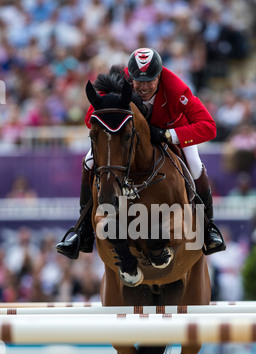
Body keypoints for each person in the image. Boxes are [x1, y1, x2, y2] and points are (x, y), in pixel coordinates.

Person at [56, 48, 226, 259]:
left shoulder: (175, 88)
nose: (144, 87)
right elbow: (91, 118)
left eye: (150, 81)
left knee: (195, 164)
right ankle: (83, 231)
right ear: (130, 77)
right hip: (129, 138)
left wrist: (167, 135)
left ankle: (207, 228)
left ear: (159, 76)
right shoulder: (120, 81)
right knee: (90, 161)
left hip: (170, 130)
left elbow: (209, 126)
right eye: (139, 81)